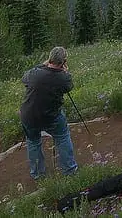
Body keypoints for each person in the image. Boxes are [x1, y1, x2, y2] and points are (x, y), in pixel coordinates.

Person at [20, 46, 78, 180]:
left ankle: (38, 175)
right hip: (51, 116)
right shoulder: (63, 78)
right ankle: (69, 170)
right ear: (64, 62)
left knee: (33, 142)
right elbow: (68, 87)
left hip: (29, 115)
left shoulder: (35, 73)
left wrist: (43, 64)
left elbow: (24, 78)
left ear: (49, 58)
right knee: (62, 137)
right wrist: (66, 72)